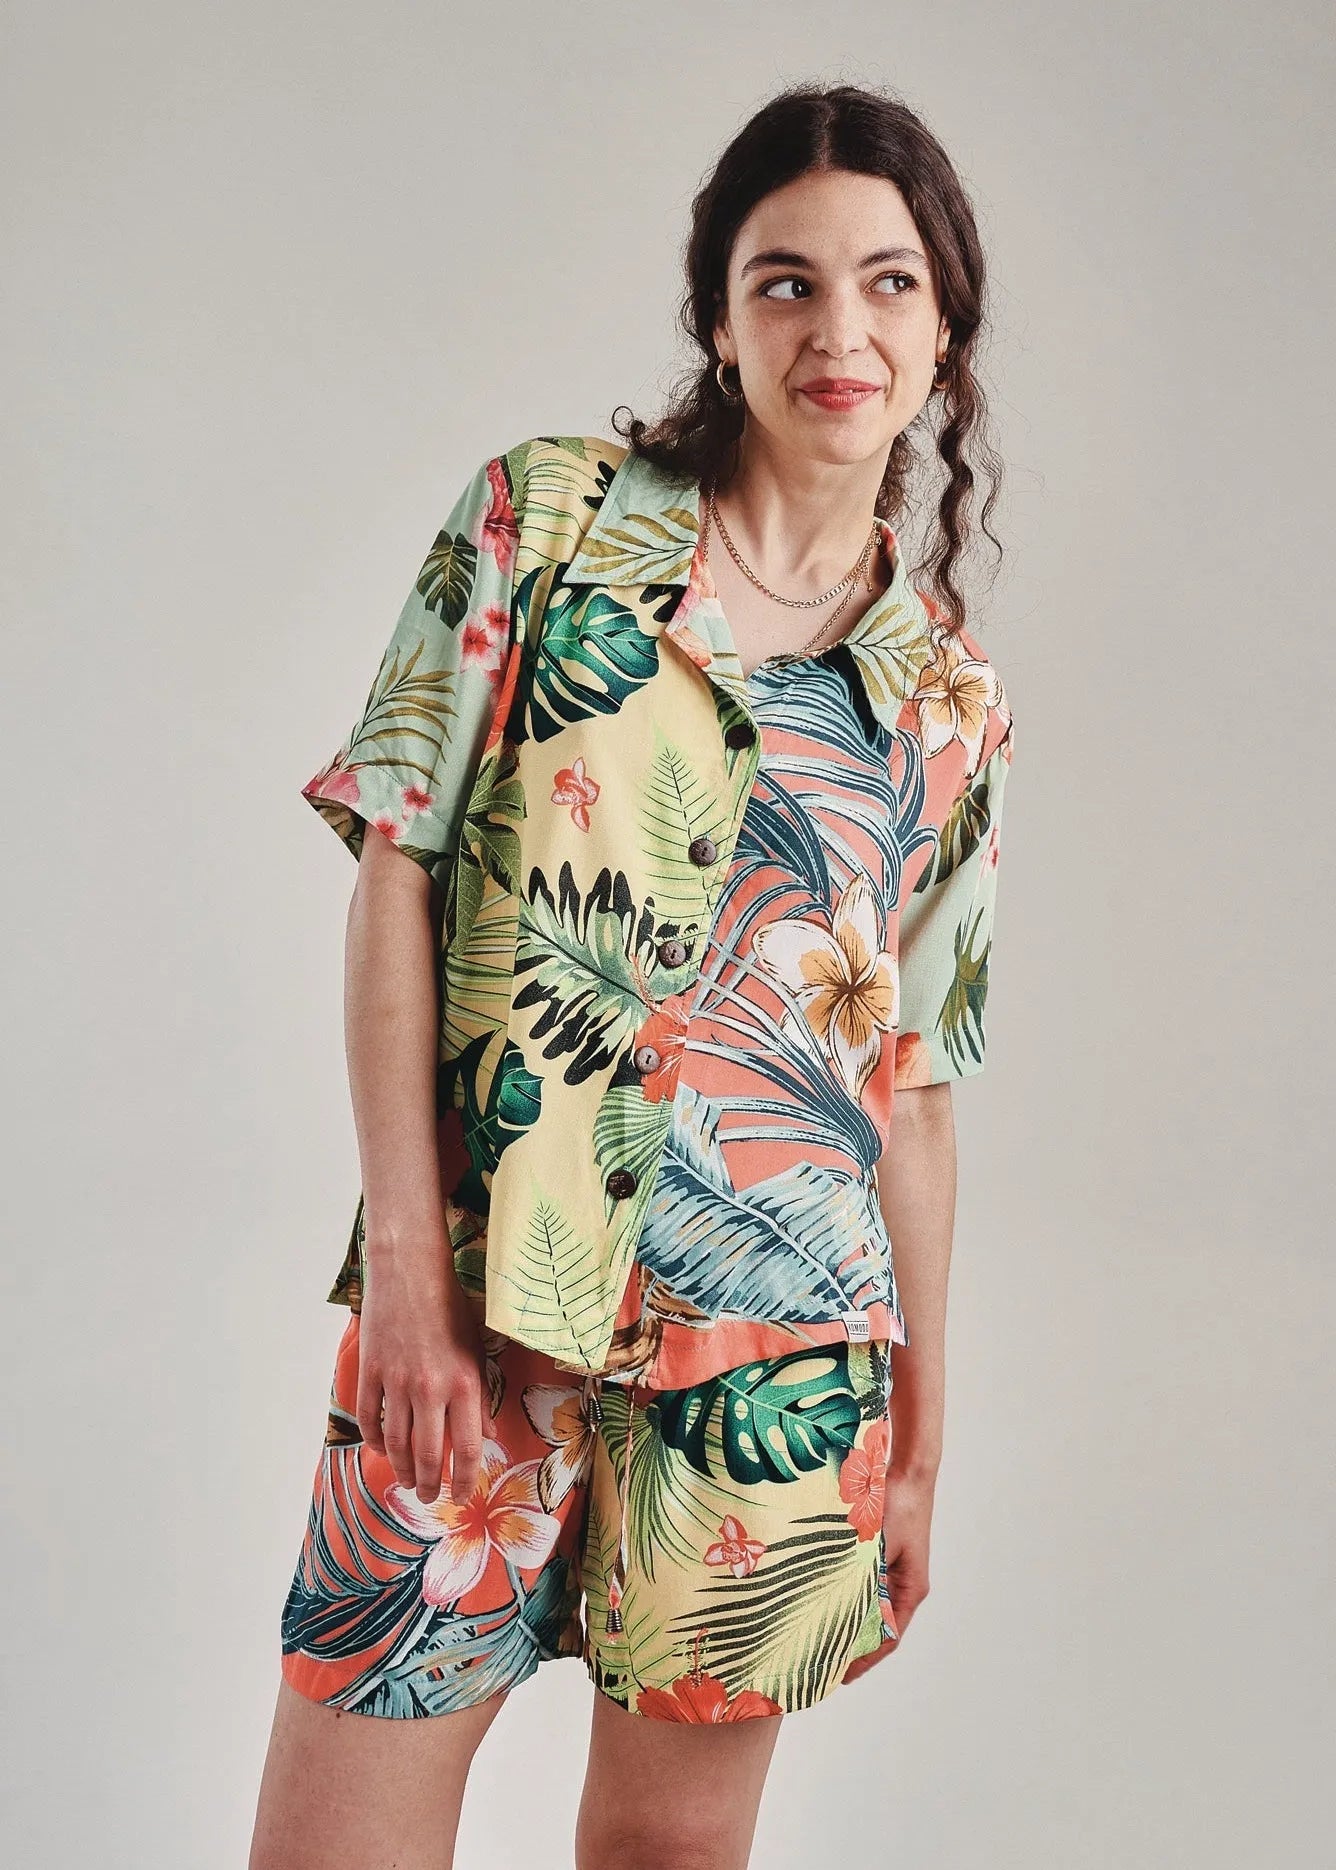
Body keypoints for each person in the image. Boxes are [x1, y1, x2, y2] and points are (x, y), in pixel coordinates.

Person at [249, 79, 1017, 1870]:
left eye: (890, 283)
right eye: (785, 281)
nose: (840, 330)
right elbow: (396, 871)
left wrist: (917, 1447)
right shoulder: (543, 526)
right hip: (475, 1329)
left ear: (945, 329)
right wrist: (410, 1282)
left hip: (777, 1370)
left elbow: (912, 1091)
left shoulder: (948, 703)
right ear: (720, 319)